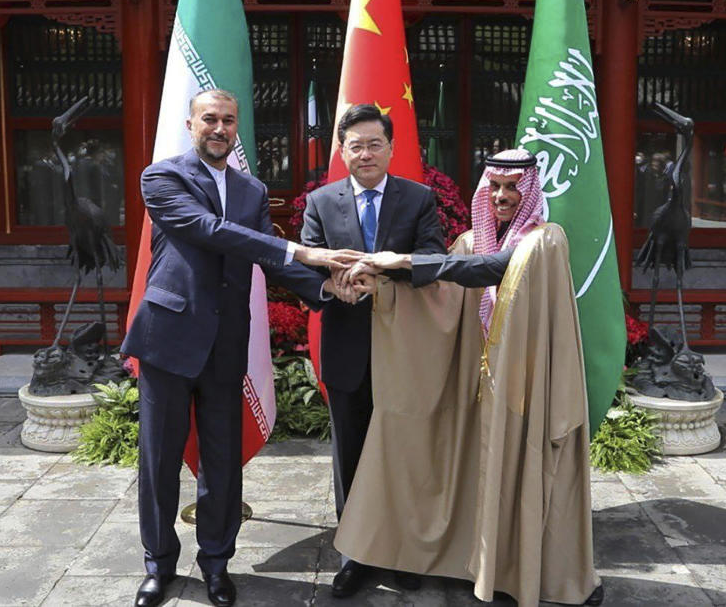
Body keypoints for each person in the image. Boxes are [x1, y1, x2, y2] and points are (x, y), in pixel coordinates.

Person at [121, 89, 360, 607]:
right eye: (210, 118)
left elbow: (270, 262)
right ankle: (158, 566)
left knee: (222, 462)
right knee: (159, 462)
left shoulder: (251, 190)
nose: (220, 128)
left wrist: (325, 287)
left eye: (229, 121)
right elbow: (209, 231)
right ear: (191, 124)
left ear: (237, 130)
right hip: (168, 337)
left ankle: (215, 564)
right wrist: (300, 246)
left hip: (226, 342)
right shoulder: (162, 177)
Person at [336, 148, 603, 606]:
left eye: (512, 187)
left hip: (525, 386)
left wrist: (399, 261)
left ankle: (531, 574)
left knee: (523, 472)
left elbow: (495, 268)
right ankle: (478, 565)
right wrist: (382, 285)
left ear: (530, 190)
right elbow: (440, 294)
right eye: (494, 187)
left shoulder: (545, 240)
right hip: (475, 385)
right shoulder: (467, 241)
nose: (501, 196)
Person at [300, 103, 446, 598]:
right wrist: (329, 288)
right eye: (355, 145)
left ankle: (402, 550)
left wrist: (383, 274)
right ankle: (355, 553)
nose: (365, 153)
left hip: (404, 348)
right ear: (341, 151)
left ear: (391, 148)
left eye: (374, 143)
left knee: (402, 452)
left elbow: (434, 260)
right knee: (352, 455)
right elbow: (305, 266)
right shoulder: (321, 202)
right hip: (347, 347)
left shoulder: (418, 198)